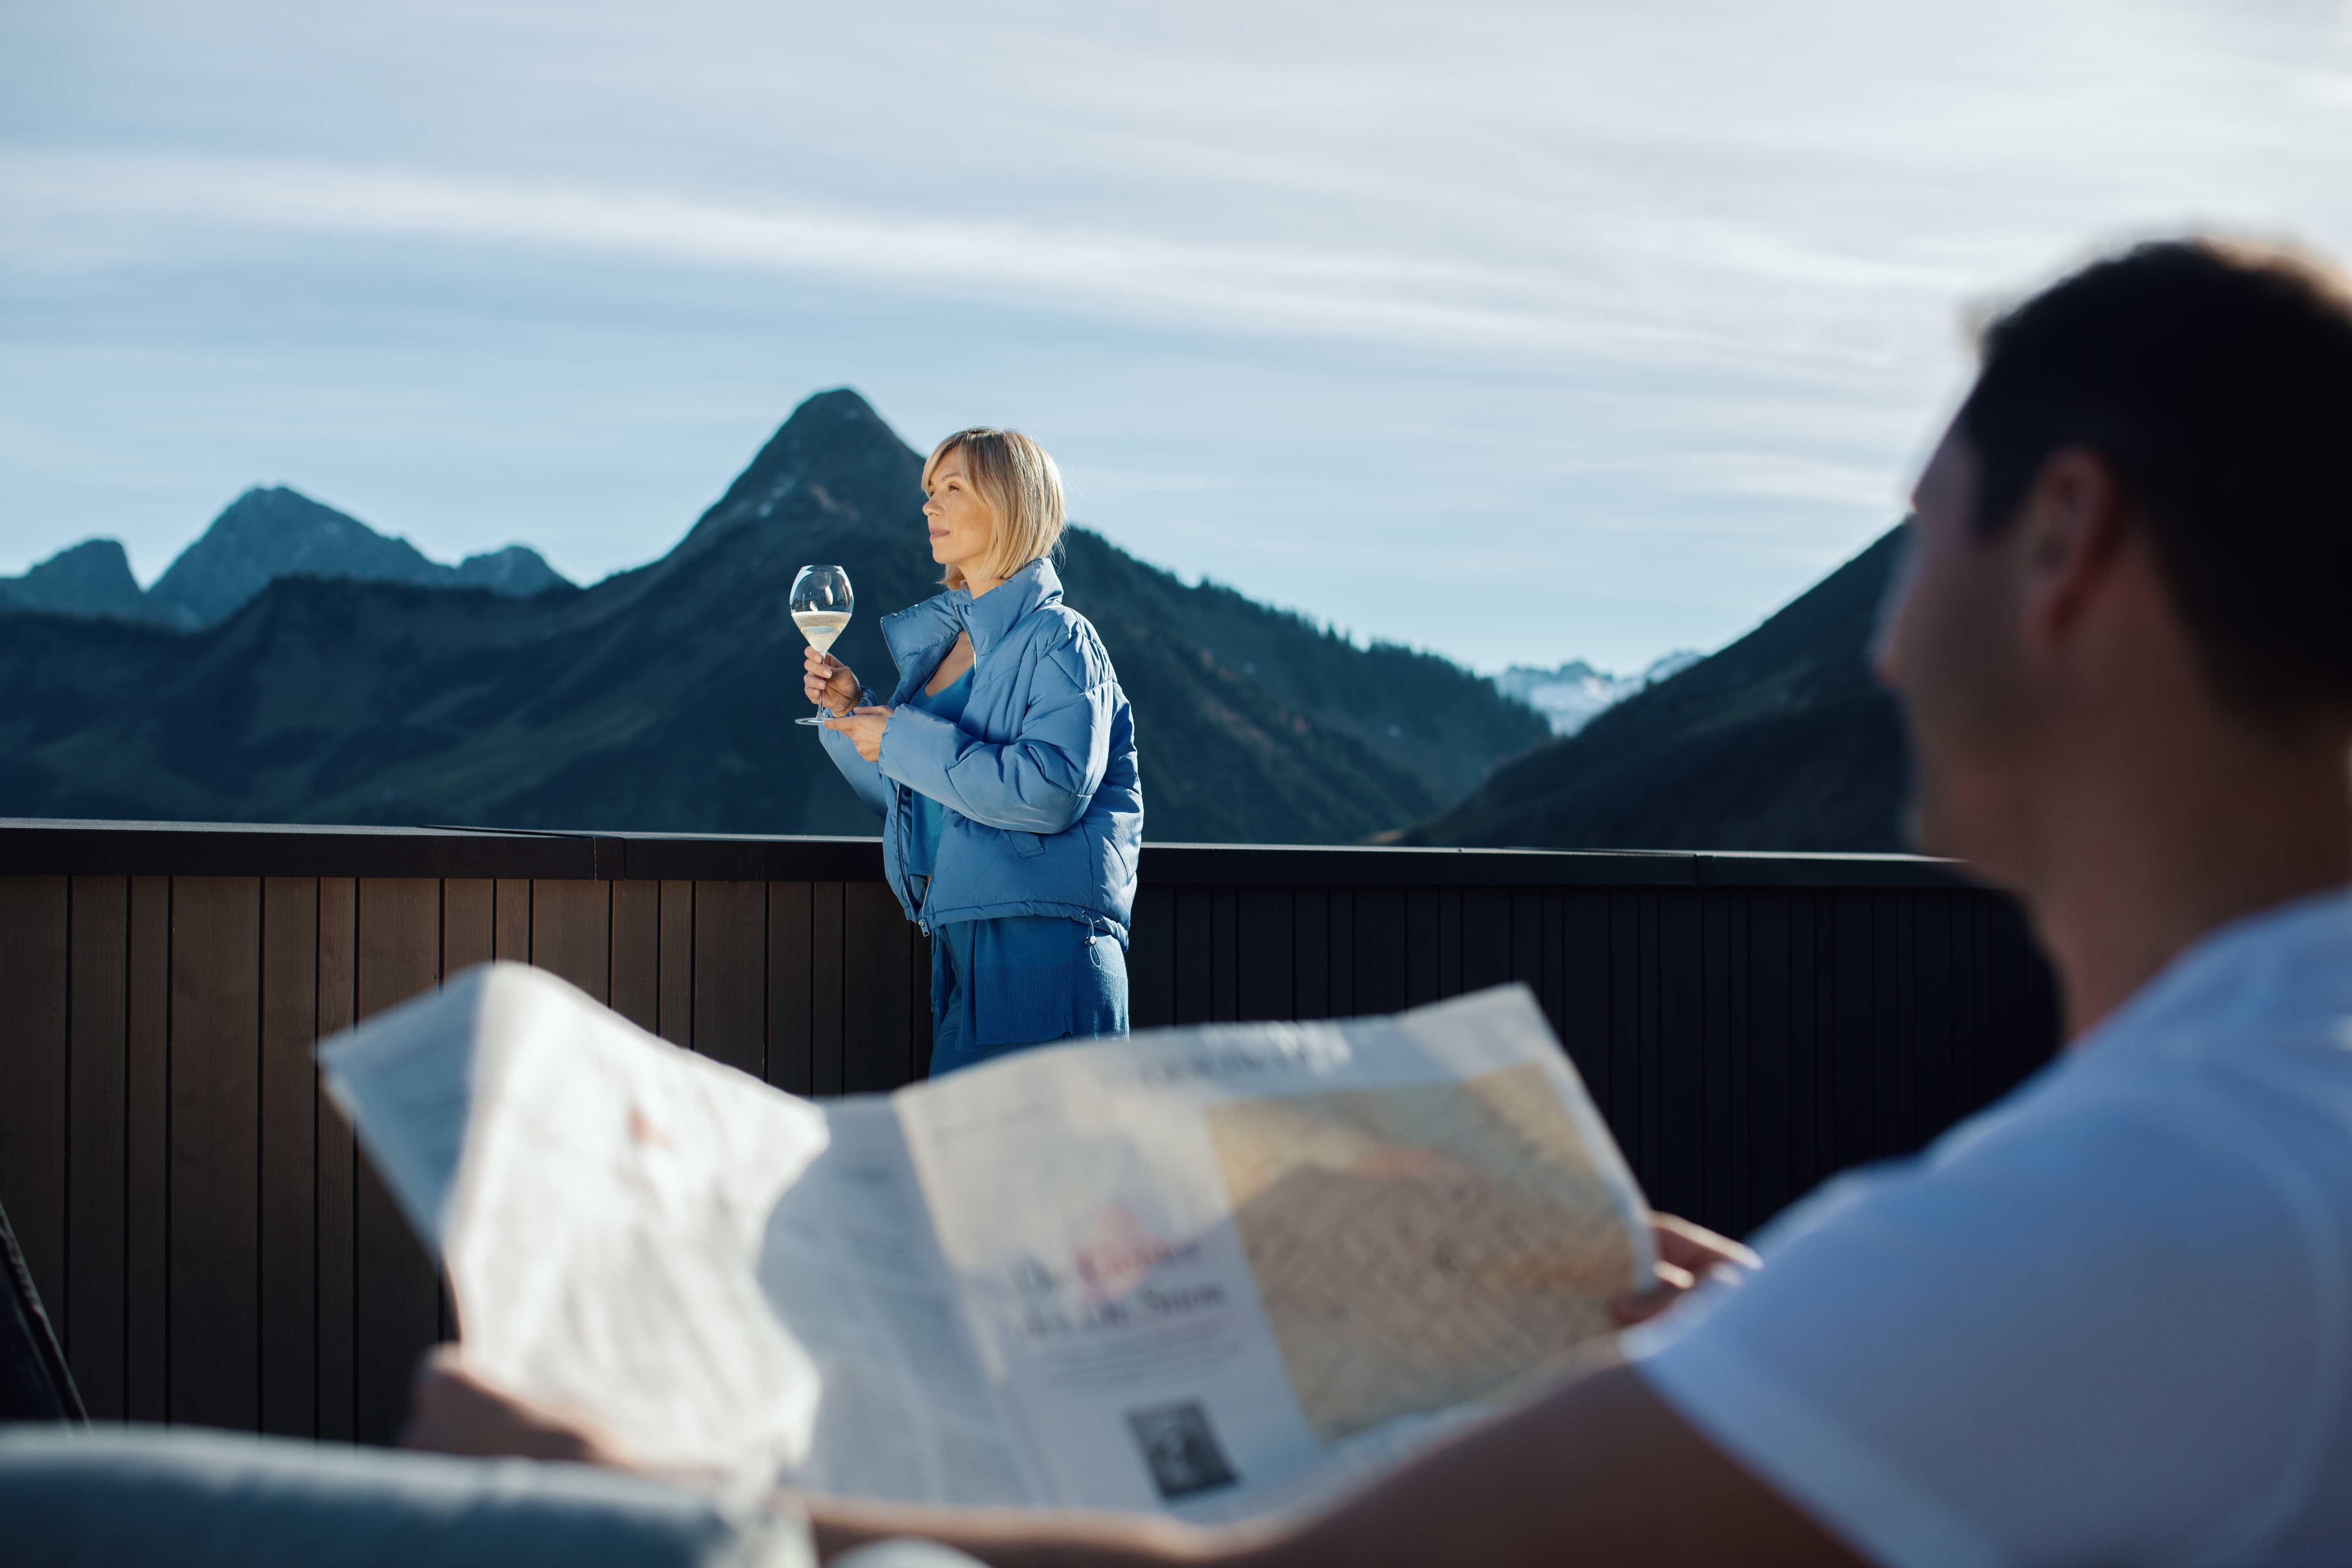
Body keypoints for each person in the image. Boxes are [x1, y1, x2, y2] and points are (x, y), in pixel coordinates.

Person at [414, 234, 2352, 1563]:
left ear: (2067, 547)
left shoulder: (2149, 1197)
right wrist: (1802, 1344)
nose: (1882, 645)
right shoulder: (2243, 1147)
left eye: (1919, 529)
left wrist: (666, 1491)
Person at [806, 428, 1143, 1076]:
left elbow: (1048, 791)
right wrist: (851, 714)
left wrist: (901, 738)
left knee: (1036, 1172)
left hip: (1043, 949)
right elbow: (916, 794)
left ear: (1013, 503)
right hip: (959, 938)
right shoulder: (943, 651)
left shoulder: (1061, 639)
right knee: (974, 1170)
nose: (930, 506)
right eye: (930, 491)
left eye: (953, 488)